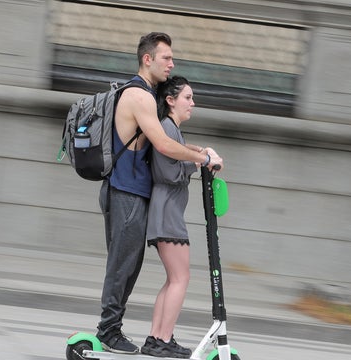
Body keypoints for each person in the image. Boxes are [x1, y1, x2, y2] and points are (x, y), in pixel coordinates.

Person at [96, 32, 223, 354]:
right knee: (123, 264)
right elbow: (165, 145)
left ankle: (119, 330)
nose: (172, 63)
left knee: (131, 264)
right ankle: (108, 331)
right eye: (166, 57)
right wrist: (202, 158)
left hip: (134, 192)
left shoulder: (148, 96)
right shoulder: (138, 96)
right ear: (147, 59)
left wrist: (197, 149)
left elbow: (168, 142)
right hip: (124, 190)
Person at [141, 76, 203, 358]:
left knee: (172, 279)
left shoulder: (172, 130)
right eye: (187, 98)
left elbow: (178, 161)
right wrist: (198, 163)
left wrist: (197, 154)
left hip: (166, 210)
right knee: (181, 278)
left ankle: (157, 337)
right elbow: (169, 173)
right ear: (170, 100)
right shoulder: (167, 128)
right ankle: (163, 339)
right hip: (168, 212)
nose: (192, 103)